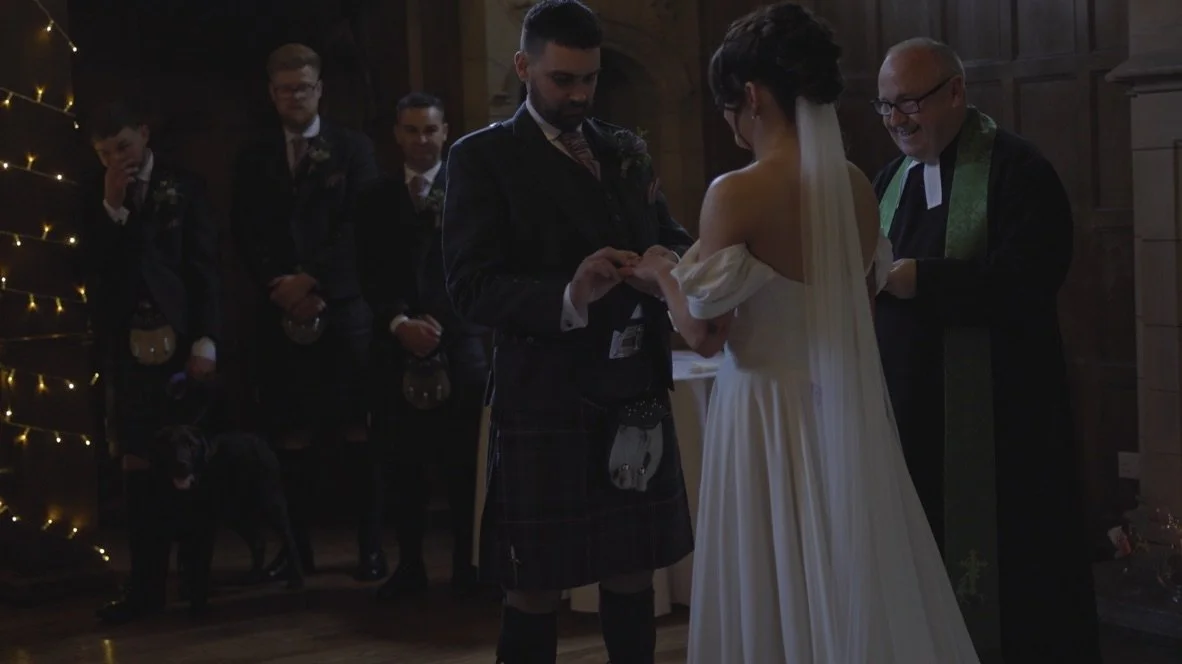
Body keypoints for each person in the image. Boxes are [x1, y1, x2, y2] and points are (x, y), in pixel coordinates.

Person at [629, 4, 982, 662]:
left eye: (728, 108)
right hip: (840, 406)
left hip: (763, 412)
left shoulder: (735, 192)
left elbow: (705, 335)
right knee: (846, 571)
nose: (730, 123)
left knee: (773, 578)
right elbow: (862, 308)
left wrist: (662, 276)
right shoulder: (856, 187)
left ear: (752, 96)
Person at [442, 1, 695, 661]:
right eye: (563, 79)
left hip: (633, 386)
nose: (579, 94)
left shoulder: (625, 148)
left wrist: (667, 262)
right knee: (533, 584)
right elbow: (470, 288)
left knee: (634, 570)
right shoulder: (482, 158)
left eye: (590, 78)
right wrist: (570, 293)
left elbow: (670, 234)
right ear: (523, 67)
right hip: (544, 395)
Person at [872, 37, 1100, 661]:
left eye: (910, 102)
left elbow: (1029, 278)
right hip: (910, 420)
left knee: (1012, 584)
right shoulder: (890, 180)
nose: (896, 120)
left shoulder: (1018, 171)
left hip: (999, 423)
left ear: (956, 92)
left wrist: (923, 280)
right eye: (886, 106)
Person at [229, 43, 382, 582]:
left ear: (320, 89)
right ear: (272, 94)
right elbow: (245, 228)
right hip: (279, 309)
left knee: (357, 430)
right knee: (288, 431)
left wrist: (312, 279)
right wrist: (280, 285)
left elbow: (360, 224)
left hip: (342, 308)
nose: (295, 97)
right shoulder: (253, 155)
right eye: (285, 89)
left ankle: (370, 548)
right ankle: (296, 553)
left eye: (303, 87)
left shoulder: (353, 148)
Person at [82, 100, 222, 624]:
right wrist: (113, 207)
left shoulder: (185, 186)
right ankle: (145, 590)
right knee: (137, 466)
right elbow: (93, 268)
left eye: (122, 146)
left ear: (143, 134)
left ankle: (197, 587)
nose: (116, 159)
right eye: (104, 154)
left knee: (190, 469)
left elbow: (205, 267)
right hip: (128, 348)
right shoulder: (95, 194)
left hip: (183, 342)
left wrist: (207, 338)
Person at [354, 92, 490, 599]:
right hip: (394, 345)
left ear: (446, 132)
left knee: (463, 465)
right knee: (400, 464)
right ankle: (409, 567)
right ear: (397, 135)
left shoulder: (470, 193)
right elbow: (366, 269)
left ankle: (467, 569)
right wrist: (398, 322)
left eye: (430, 130)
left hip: (460, 342)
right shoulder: (373, 197)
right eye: (411, 130)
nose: (421, 140)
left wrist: (440, 324)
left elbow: (481, 267)